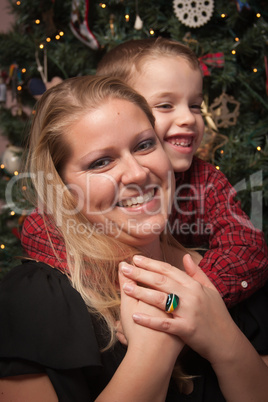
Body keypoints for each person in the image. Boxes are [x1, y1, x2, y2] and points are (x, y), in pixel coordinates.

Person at [0, 75, 267, 401]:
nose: (139, 173)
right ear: (62, 188)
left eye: (144, 145)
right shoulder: (35, 299)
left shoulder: (231, 276)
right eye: (101, 162)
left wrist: (225, 339)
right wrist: (152, 353)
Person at [20, 37, 268, 308]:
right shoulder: (68, 221)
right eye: (165, 105)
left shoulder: (206, 180)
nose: (188, 118)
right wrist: (125, 286)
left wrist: (190, 299)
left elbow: (247, 246)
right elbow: (38, 229)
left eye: (195, 105)